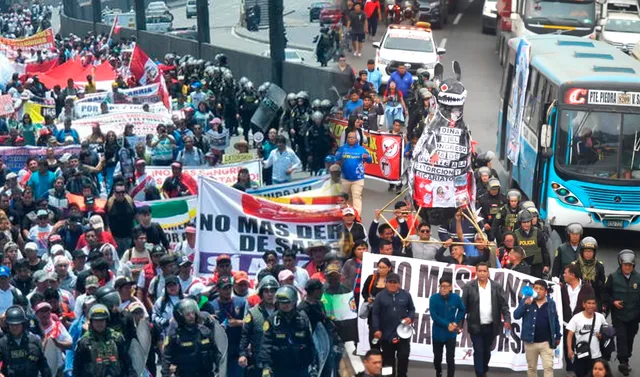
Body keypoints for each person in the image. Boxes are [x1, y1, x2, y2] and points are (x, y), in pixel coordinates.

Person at [462, 262, 511, 377]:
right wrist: (459, 323)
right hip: (475, 326)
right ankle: (480, 374)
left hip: (491, 325)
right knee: (478, 351)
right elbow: (463, 306)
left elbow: (504, 305)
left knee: (486, 352)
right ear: (476, 272)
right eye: (480, 271)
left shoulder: (496, 286)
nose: (482, 273)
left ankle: (483, 369)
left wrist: (507, 320)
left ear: (488, 272)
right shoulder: (469, 286)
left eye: (485, 271)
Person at [257, 285, 318, 377]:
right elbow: (266, 344)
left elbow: (310, 343)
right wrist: (266, 367)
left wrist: (314, 365)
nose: (285, 305)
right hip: (279, 367)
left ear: (294, 302)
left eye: (288, 302)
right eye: (282, 302)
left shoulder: (303, 318)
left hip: (300, 367)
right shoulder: (272, 319)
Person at [602, 249, 640, 376]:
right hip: (619, 316)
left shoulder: (638, 278)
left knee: (630, 338)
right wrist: (613, 302)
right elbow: (605, 293)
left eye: (630, 265)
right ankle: (622, 361)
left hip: (634, 315)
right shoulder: (612, 277)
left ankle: (626, 358)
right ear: (621, 264)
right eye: (625, 265)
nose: (628, 267)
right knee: (621, 337)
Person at [514, 280, 562, 377]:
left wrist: (558, 336)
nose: (538, 291)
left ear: (546, 292)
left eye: (541, 289)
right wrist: (525, 305)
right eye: (536, 288)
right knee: (532, 368)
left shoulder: (551, 303)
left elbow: (555, 320)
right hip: (530, 342)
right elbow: (516, 315)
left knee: (548, 367)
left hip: (546, 342)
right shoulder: (526, 300)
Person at [73, 303, 137, 377]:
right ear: (91, 321)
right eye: (96, 321)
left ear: (107, 321)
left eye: (102, 320)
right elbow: (77, 368)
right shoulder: (84, 342)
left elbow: (127, 362)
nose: (99, 324)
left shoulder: (117, 338)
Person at [371, 272, 415, 377]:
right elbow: (375, 314)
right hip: (386, 334)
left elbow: (412, 309)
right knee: (387, 362)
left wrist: (410, 317)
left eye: (394, 282)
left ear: (399, 284)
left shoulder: (406, 294)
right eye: (390, 282)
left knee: (403, 358)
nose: (392, 284)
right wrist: (376, 329)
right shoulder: (380, 296)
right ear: (386, 283)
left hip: (403, 334)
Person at [239, 276, 279, 377]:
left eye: (273, 291)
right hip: (258, 362)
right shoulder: (253, 313)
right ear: (261, 293)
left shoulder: (283, 312)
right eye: (266, 291)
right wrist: (242, 354)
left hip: (279, 362)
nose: (270, 294)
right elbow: (245, 336)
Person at [0, 305, 52, 377]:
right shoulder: (2, 343)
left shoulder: (34, 341)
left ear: (23, 324)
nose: (14, 327)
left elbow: (44, 366)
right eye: (11, 325)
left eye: (17, 324)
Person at [430, 275, 465, 377]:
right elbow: (434, 316)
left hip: (451, 335)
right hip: (437, 333)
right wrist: (447, 325)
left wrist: (455, 322)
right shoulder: (434, 298)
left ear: (450, 287)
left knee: (450, 358)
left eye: (445, 286)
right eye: (441, 286)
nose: (443, 288)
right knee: (437, 358)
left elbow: (462, 310)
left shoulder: (456, 298)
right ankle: (438, 371)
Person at [567, 294, 608, 377]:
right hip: (581, 354)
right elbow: (570, 335)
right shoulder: (576, 318)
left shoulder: (600, 317)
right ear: (584, 304)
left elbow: (606, 331)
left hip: (596, 355)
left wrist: (601, 336)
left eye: (593, 303)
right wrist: (569, 349)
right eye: (589, 303)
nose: (591, 306)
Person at [336, 130, 372, 215]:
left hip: (358, 179)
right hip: (345, 178)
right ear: (347, 139)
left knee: (356, 198)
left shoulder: (361, 149)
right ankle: (344, 215)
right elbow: (336, 161)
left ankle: (357, 217)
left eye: (353, 137)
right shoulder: (342, 149)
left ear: (356, 139)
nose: (351, 139)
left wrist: (367, 157)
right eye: (349, 137)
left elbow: (370, 160)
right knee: (344, 199)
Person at [514, 210, 550, 279]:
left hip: (536, 266)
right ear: (520, 223)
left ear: (531, 222)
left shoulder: (538, 233)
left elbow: (544, 249)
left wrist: (546, 264)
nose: (526, 224)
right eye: (524, 222)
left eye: (528, 222)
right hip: (521, 266)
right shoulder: (516, 234)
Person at [573, 237, 606, 308]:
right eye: (586, 251)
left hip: (594, 298)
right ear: (582, 252)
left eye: (591, 251)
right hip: (578, 298)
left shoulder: (599, 266)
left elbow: (602, 285)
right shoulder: (575, 265)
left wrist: (603, 302)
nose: (588, 254)